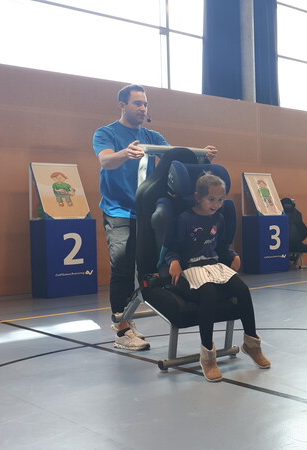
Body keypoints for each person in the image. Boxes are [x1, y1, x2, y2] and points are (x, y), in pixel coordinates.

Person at [93, 84, 218, 351]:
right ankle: (122, 329)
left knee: (148, 265)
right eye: (137, 103)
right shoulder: (106, 133)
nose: (143, 108)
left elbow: (176, 158)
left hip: (145, 211)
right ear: (122, 105)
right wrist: (125, 153)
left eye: (145, 104)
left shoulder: (152, 136)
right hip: (118, 211)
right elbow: (105, 161)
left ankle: (135, 315)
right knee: (123, 266)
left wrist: (201, 155)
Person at [162, 173, 270, 382]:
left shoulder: (219, 219)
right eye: (211, 199)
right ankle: (208, 356)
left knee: (242, 290)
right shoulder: (184, 219)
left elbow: (221, 247)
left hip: (213, 265)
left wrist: (233, 255)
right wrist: (173, 261)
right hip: (192, 268)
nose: (216, 204)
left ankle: (251, 343)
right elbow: (172, 248)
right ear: (197, 197)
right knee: (209, 293)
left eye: (220, 200)